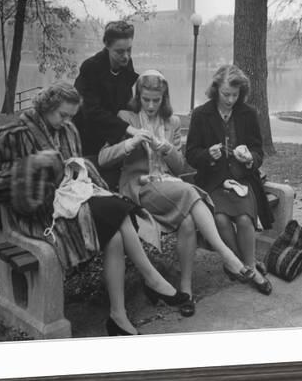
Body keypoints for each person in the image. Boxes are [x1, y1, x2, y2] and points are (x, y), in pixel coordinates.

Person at [0, 82, 189, 337]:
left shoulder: (69, 130)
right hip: (40, 215)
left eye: (71, 116)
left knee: (115, 234)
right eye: (63, 114)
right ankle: (151, 277)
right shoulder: (14, 135)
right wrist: (36, 164)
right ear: (47, 107)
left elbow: (75, 168)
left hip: (72, 202)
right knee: (117, 209)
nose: (67, 121)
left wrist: (76, 171)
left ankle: (118, 315)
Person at [98, 70, 252, 317]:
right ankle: (227, 254)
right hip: (139, 187)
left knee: (189, 221)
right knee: (189, 192)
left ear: (164, 98)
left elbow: (180, 167)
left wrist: (168, 149)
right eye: (145, 99)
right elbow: (104, 158)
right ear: (138, 96)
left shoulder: (172, 123)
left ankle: (185, 289)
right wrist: (131, 142)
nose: (150, 105)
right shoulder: (126, 118)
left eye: (155, 100)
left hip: (169, 188)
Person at [185, 64, 273, 295]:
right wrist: (207, 155)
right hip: (212, 181)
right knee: (221, 220)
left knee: (244, 219)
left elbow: (258, 151)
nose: (230, 100)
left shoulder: (248, 113)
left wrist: (249, 158)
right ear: (216, 89)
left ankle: (249, 267)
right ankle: (244, 266)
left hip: (242, 179)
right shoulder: (201, 114)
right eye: (226, 94)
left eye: (235, 95)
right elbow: (191, 154)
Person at [73, 21, 149, 188]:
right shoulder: (91, 67)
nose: (126, 56)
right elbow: (92, 112)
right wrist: (128, 129)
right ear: (107, 46)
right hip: (88, 138)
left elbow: (127, 100)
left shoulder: (126, 63)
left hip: (113, 138)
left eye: (129, 50)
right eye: (119, 51)